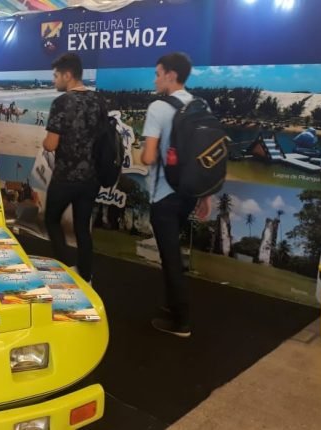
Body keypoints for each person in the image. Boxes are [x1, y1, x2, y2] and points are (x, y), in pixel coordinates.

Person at [141, 52, 197, 338]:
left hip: (163, 195)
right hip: (189, 193)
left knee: (170, 256)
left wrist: (143, 153)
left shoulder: (158, 108)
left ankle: (182, 321)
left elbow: (149, 157)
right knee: (172, 252)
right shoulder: (198, 105)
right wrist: (206, 196)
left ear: (171, 75)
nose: (155, 79)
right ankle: (173, 304)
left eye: (158, 73)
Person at [42, 53, 103, 284]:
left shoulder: (61, 102)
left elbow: (51, 144)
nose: (54, 80)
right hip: (91, 178)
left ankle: (66, 271)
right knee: (82, 228)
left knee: (51, 220)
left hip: (65, 177)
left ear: (67, 75)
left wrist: (45, 142)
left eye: (56, 76)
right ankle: (86, 276)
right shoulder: (98, 100)